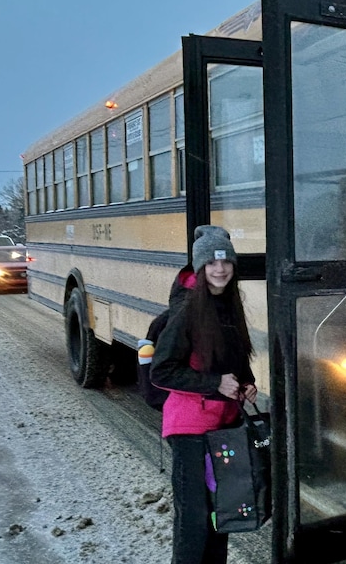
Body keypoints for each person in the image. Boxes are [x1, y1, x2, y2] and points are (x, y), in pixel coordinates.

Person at [151, 225, 257, 564]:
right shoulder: (186, 311)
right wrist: (214, 384)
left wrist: (246, 383)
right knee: (194, 520)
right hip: (189, 430)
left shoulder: (228, 305)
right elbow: (162, 370)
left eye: (225, 262)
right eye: (211, 263)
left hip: (221, 428)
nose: (220, 269)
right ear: (200, 267)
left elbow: (233, 361)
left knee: (220, 515)